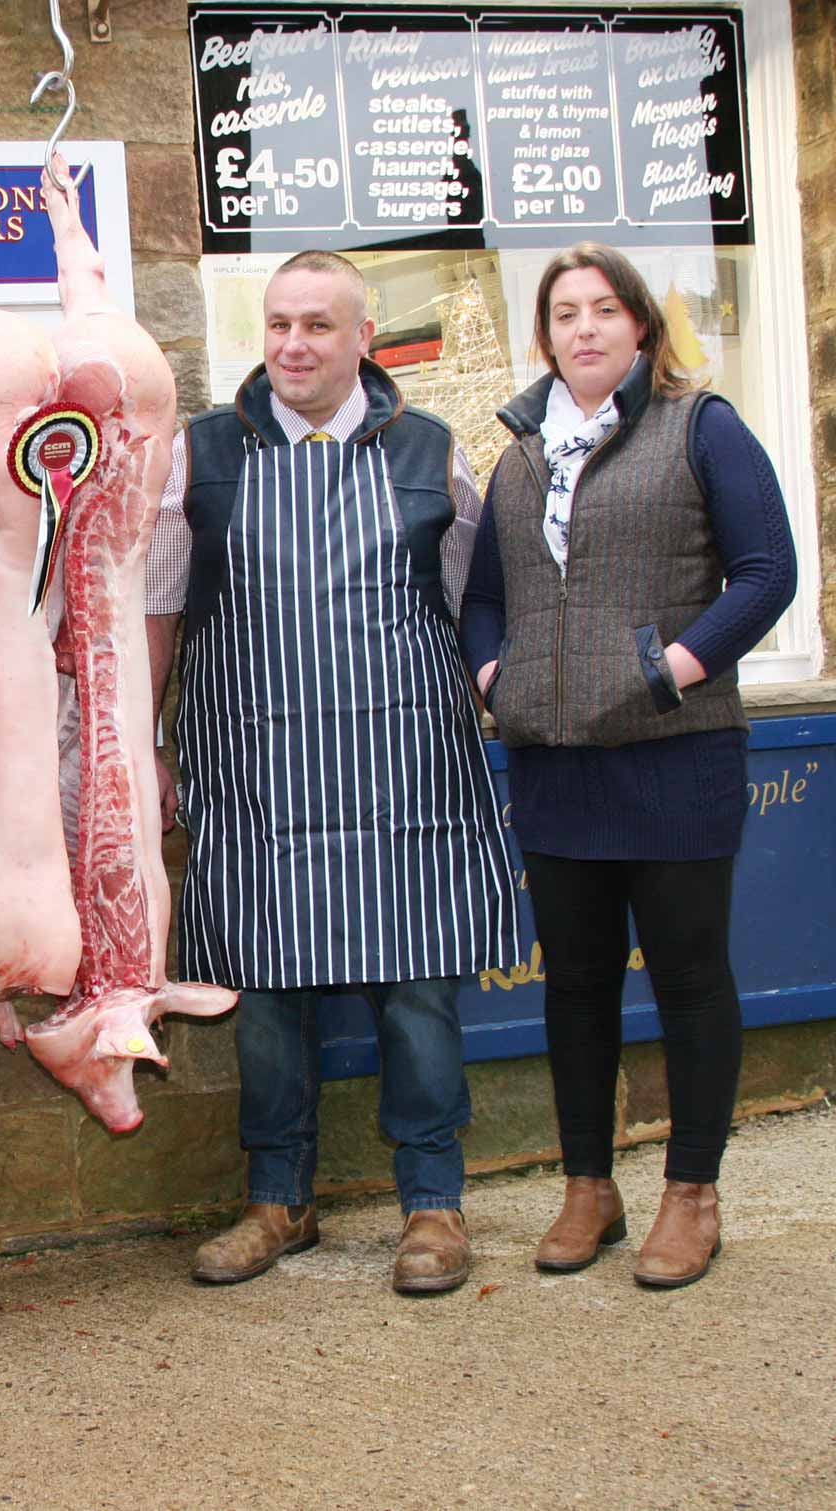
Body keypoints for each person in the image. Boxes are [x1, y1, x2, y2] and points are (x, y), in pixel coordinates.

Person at [147, 250, 519, 1295]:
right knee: (263, 993)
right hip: (257, 770)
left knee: (417, 991)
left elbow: (475, 606)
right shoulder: (204, 455)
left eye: (318, 325)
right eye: (278, 325)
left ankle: (434, 1205)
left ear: (365, 337)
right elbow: (162, 610)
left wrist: (514, 704)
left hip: (404, 771)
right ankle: (280, 1199)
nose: (294, 345)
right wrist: (144, 743)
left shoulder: (432, 453)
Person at [460, 243, 796, 1288]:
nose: (587, 328)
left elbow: (768, 570)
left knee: (692, 976)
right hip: (557, 764)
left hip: (675, 751)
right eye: (566, 314)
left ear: (641, 326)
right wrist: (492, 677)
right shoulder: (518, 459)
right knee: (578, 984)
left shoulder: (705, 427)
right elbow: (481, 597)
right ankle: (588, 1188)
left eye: (607, 309)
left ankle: (692, 1193)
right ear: (546, 335)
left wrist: (676, 667)